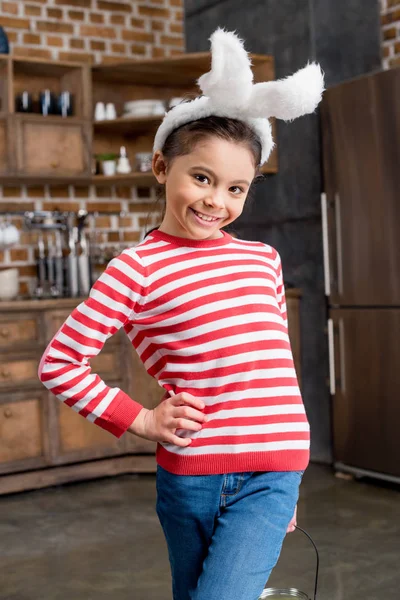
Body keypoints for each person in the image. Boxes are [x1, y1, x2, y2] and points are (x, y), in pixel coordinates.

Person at [38, 28, 324, 600]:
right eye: (202, 177)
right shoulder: (136, 269)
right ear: (160, 166)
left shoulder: (263, 260)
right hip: (193, 477)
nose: (218, 201)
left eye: (237, 188)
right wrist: (141, 421)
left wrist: (285, 481)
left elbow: (274, 367)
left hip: (275, 470)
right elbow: (60, 361)